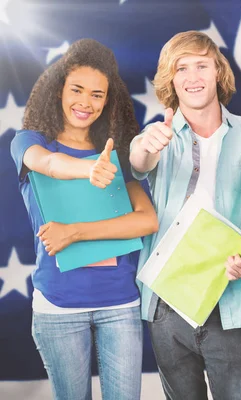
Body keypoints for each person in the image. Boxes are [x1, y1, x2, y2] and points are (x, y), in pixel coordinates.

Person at [10, 38, 158, 400]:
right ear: (58, 89)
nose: (85, 102)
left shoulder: (116, 153)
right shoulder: (29, 141)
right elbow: (46, 163)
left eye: (97, 94)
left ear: (107, 100)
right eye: (76, 90)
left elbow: (146, 221)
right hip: (58, 305)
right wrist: (87, 169)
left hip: (120, 304)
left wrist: (74, 233)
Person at [129, 31, 241, 400]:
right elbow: (140, 160)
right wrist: (144, 145)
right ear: (171, 80)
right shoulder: (158, 134)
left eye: (201, 65)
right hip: (167, 304)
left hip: (228, 300)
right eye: (181, 68)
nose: (192, 77)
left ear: (218, 71)